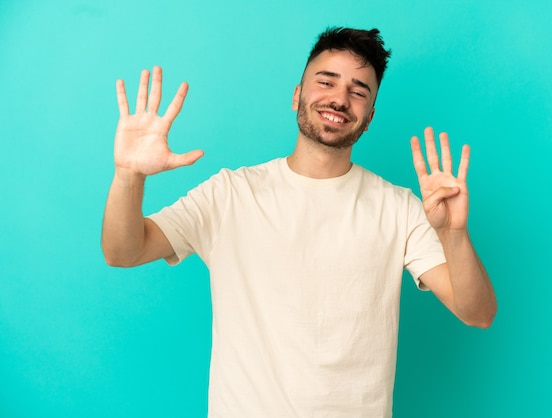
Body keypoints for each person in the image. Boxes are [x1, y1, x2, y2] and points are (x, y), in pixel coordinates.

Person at [102, 27, 496, 417]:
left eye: (358, 91)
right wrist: (128, 174)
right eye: (326, 81)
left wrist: (454, 234)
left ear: (370, 116)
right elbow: (124, 251)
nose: (339, 99)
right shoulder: (230, 194)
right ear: (297, 95)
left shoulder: (399, 208)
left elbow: (478, 313)